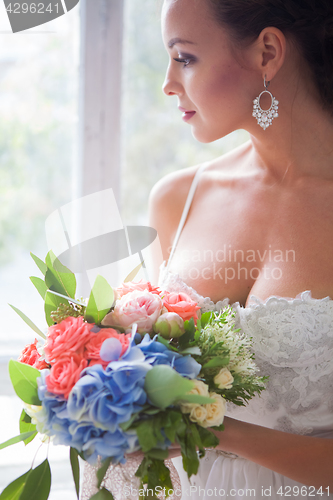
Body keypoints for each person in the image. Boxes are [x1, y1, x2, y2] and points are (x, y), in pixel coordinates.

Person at [81, 1, 333, 498]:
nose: (168, 82)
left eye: (185, 57)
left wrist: (217, 431)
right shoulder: (177, 200)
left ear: (267, 51)